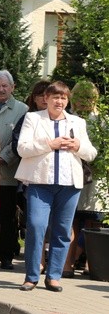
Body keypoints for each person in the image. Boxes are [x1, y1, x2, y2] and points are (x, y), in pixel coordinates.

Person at [17, 81, 97, 293]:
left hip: (69, 184)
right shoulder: (33, 118)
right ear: (46, 99)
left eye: (63, 98)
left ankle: (54, 276)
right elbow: (22, 148)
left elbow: (91, 153)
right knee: (35, 226)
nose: (59, 101)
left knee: (62, 231)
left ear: (67, 100)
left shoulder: (77, 122)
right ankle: (32, 276)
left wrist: (77, 146)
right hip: (40, 183)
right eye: (55, 97)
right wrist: (49, 144)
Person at [0, 70, 28, 271]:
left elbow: (20, 139)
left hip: (9, 172)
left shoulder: (23, 109)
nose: (1, 89)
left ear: (12, 87)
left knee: (9, 217)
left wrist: (2, 158)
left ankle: (7, 256)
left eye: (5, 86)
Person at [63, 80, 105, 277]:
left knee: (93, 221)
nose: (84, 102)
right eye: (80, 98)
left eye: (88, 98)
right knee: (72, 219)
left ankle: (91, 262)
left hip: (96, 176)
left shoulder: (102, 120)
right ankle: (68, 262)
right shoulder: (69, 118)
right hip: (74, 172)